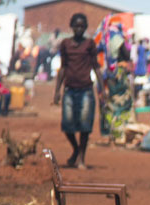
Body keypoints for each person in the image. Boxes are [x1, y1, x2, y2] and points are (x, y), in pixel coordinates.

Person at [53, 13, 105, 169]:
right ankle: (76, 149)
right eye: (76, 26)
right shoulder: (65, 44)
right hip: (69, 90)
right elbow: (62, 68)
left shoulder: (89, 44)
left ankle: (81, 157)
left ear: (86, 27)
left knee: (84, 126)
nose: (79, 29)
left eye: (82, 26)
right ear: (71, 26)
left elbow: (96, 67)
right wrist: (57, 91)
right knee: (67, 125)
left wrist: (102, 89)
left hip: (86, 90)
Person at [101, 44, 135, 145]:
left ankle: (115, 135)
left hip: (112, 86)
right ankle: (121, 135)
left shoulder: (105, 40)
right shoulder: (118, 40)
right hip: (120, 91)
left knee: (112, 110)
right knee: (122, 110)